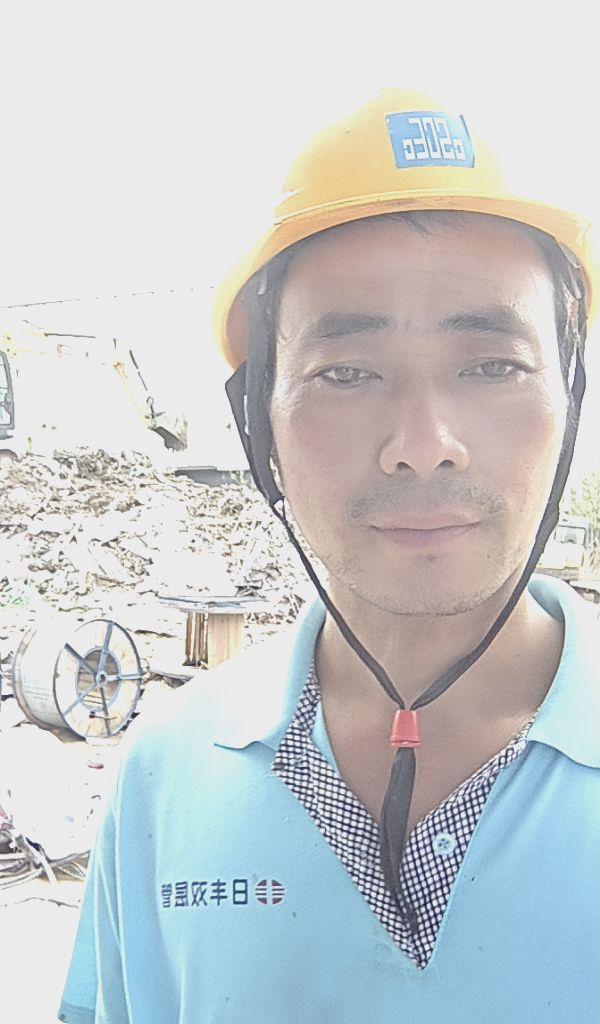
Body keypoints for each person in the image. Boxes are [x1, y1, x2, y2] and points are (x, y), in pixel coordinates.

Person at [59, 89, 600, 1023]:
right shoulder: (164, 774)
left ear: (570, 397)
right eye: (345, 373)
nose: (423, 446)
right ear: (258, 421)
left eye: (492, 366)